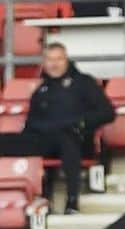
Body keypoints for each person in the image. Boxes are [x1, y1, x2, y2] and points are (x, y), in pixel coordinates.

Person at [0, 42, 114, 213]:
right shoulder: (41, 90)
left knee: (65, 138)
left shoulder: (84, 83)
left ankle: (72, 202)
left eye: (59, 59)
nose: (54, 64)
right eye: (50, 59)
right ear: (44, 62)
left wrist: (81, 123)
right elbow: (31, 124)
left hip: (77, 138)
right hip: (43, 139)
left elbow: (107, 112)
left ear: (66, 60)